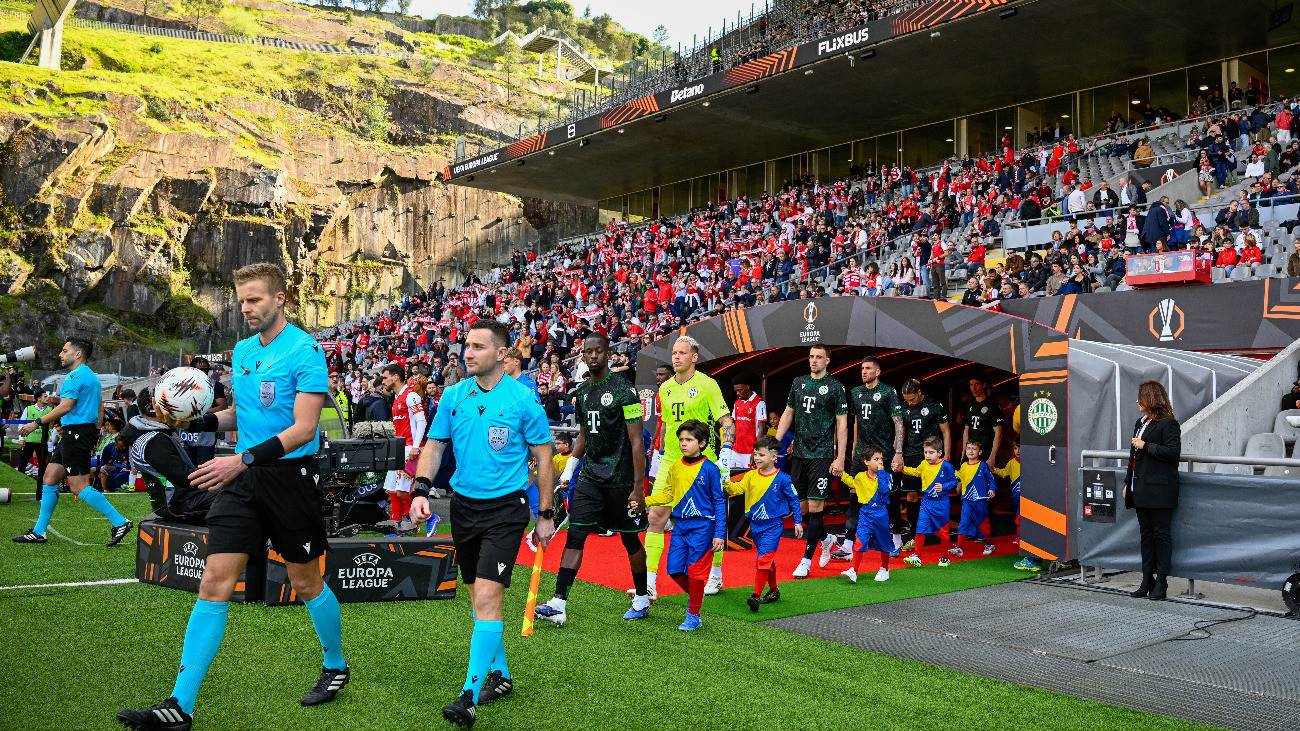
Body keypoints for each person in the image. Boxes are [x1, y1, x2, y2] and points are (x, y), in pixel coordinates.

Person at [118, 263, 346, 729]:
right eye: (242, 300)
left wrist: (241, 460)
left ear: (280, 298)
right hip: (243, 483)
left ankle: (336, 665)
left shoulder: (305, 351)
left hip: (289, 479)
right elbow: (238, 417)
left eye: (255, 299)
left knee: (305, 584)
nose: (246, 309)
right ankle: (180, 705)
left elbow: (303, 429)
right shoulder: (242, 351)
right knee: (213, 582)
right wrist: (189, 422)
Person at [408, 319, 555, 726]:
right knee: (478, 600)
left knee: (488, 598)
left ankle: (468, 696)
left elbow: (544, 458)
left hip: (506, 511)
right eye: (465, 346)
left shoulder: (524, 400)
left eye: (476, 347)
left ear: (502, 354)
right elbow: (435, 445)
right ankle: (502, 676)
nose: (466, 353)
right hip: (463, 508)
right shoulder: (454, 395)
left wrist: (545, 514)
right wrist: (421, 489)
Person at [536, 334, 649, 626]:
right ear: (583, 355)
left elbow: (637, 442)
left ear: (608, 353)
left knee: (630, 539)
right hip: (590, 477)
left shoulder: (625, 389)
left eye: (599, 351)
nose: (593, 356)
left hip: (621, 480)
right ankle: (559, 603)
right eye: (588, 352)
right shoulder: (583, 392)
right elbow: (584, 434)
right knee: (576, 535)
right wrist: (571, 467)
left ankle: (641, 596)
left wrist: (638, 488)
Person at [14, 337, 133, 547]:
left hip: (77, 434)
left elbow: (67, 406)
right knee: (49, 478)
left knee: (78, 486)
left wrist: (37, 422)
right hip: (78, 433)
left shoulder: (74, 376)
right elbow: (99, 409)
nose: (60, 354)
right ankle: (39, 532)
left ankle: (120, 521)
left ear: (78, 354)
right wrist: (91, 432)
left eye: (64, 350)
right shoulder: (91, 377)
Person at [648, 336, 735, 599]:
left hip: (701, 465)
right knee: (655, 519)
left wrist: (727, 453)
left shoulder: (708, 385)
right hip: (670, 462)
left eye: (682, 353)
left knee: (707, 522)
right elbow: (666, 427)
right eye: (674, 353)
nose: (676, 357)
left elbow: (725, 420)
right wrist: (659, 453)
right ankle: (650, 583)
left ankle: (716, 574)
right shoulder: (665, 388)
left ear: (694, 357)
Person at [644, 420, 726, 632]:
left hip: (703, 527)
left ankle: (694, 614)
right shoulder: (675, 466)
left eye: (689, 440)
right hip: (680, 526)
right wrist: (645, 501)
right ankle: (697, 598)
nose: (683, 443)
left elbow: (719, 501)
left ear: (702, 443)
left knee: (697, 572)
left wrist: (719, 534)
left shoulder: (710, 469)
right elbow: (668, 495)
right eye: (681, 439)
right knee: (674, 570)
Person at [775, 344, 848, 578]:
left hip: (822, 454)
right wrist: (775, 443)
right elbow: (788, 413)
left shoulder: (836, 387)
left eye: (819, 357)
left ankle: (806, 560)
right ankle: (827, 539)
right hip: (799, 454)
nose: (814, 360)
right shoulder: (798, 382)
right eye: (811, 357)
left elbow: (842, 424)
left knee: (817, 507)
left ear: (828, 360)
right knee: (801, 508)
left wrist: (840, 457)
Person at [725, 436, 802, 612]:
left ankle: (755, 596)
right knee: (766, 561)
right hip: (755, 526)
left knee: (763, 559)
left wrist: (798, 521)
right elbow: (736, 490)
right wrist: (726, 482)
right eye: (755, 454)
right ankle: (774, 590)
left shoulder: (783, 478)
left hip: (773, 527)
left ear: (775, 457)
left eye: (761, 454)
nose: (757, 458)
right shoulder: (751, 475)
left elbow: (794, 499)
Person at [838, 356, 904, 559]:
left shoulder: (888, 392)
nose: (863, 371)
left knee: (889, 497)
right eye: (861, 368)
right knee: (854, 495)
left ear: (877, 372)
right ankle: (848, 543)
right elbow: (856, 421)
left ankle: (896, 539)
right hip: (861, 455)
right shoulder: (856, 392)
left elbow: (899, 423)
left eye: (868, 368)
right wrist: (854, 447)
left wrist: (899, 453)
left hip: (884, 455)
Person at [121, 388, 217, 524]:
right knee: (238, 491)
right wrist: (217, 476)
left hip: (179, 498)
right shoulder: (155, 442)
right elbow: (184, 477)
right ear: (152, 409)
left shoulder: (148, 434)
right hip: (182, 501)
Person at [1124, 380, 1182, 601]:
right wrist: (1127, 483)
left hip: (1160, 491)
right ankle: (1147, 580)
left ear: (1151, 398)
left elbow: (1173, 453)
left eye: (1141, 396)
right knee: (1146, 537)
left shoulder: (1168, 424)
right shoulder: (1141, 422)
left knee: (1161, 536)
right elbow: (1134, 459)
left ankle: (1162, 582)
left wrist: (1146, 446)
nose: (1137, 400)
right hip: (1141, 489)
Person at [898, 379, 950, 551]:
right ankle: (914, 536)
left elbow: (946, 432)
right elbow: (902, 433)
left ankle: (940, 535)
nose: (909, 402)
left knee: (935, 495)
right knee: (911, 497)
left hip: (931, 457)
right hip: (911, 455)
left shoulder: (935, 405)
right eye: (906, 399)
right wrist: (899, 453)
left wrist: (947, 458)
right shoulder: (904, 408)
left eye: (912, 398)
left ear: (919, 392)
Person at [900, 436, 960, 567]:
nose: (927, 455)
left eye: (931, 452)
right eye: (925, 452)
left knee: (943, 531)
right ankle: (917, 556)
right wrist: (902, 468)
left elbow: (954, 481)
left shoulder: (946, 466)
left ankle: (944, 557)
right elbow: (916, 472)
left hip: (942, 503)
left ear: (939, 452)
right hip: (926, 502)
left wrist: (944, 487)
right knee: (920, 528)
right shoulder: (924, 464)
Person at [838, 446, 894, 583]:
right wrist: (841, 474)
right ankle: (854, 571)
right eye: (876, 459)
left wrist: (881, 473)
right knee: (860, 541)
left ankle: (884, 569)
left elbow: (884, 491)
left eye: (881, 458)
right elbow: (852, 483)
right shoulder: (861, 476)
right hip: (865, 513)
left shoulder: (886, 476)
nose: (880, 462)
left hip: (881, 513)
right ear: (866, 462)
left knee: (884, 542)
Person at [385, 364, 426, 523]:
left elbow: (421, 421)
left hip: (409, 448)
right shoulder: (397, 398)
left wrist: (416, 446)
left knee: (401, 492)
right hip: (398, 448)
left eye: (386, 377)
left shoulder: (411, 395)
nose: (384, 381)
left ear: (395, 377)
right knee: (392, 490)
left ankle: (428, 517)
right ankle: (396, 522)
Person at [951, 441, 997, 557]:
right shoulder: (964, 466)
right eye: (968, 448)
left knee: (983, 524)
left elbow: (991, 480)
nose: (970, 451)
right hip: (967, 500)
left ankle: (989, 544)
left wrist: (992, 489)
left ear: (980, 452)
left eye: (974, 449)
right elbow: (959, 476)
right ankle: (959, 547)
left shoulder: (983, 465)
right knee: (963, 522)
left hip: (980, 500)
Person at [729, 373, 767, 474]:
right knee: (732, 479)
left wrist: (756, 451)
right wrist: (730, 446)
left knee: (749, 480)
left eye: (740, 390)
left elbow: (761, 428)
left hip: (750, 451)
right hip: (736, 451)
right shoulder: (737, 402)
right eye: (736, 391)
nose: (738, 393)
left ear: (748, 387)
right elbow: (735, 425)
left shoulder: (759, 403)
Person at [963, 377, 1003, 466]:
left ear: (984, 385)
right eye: (971, 385)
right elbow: (966, 431)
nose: (974, 388)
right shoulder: (969, 405)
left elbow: (998, 433)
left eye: (977, 384)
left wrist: (992, 457)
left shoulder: (993, 405)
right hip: (971, 453)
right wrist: (963, 454)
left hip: (987, 453)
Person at [17, 391, 53, 489]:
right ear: (39, 398)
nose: (47, 398)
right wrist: (21, 438)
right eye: (45, 397)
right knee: (23, 461)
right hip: (29, 439)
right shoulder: (29, 409)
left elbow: (51, 426)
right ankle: (19, 480)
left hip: (42, 440)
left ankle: (42, 483)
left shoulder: (50, 410)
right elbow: (21, 424)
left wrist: (50, 437)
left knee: (43, 463)